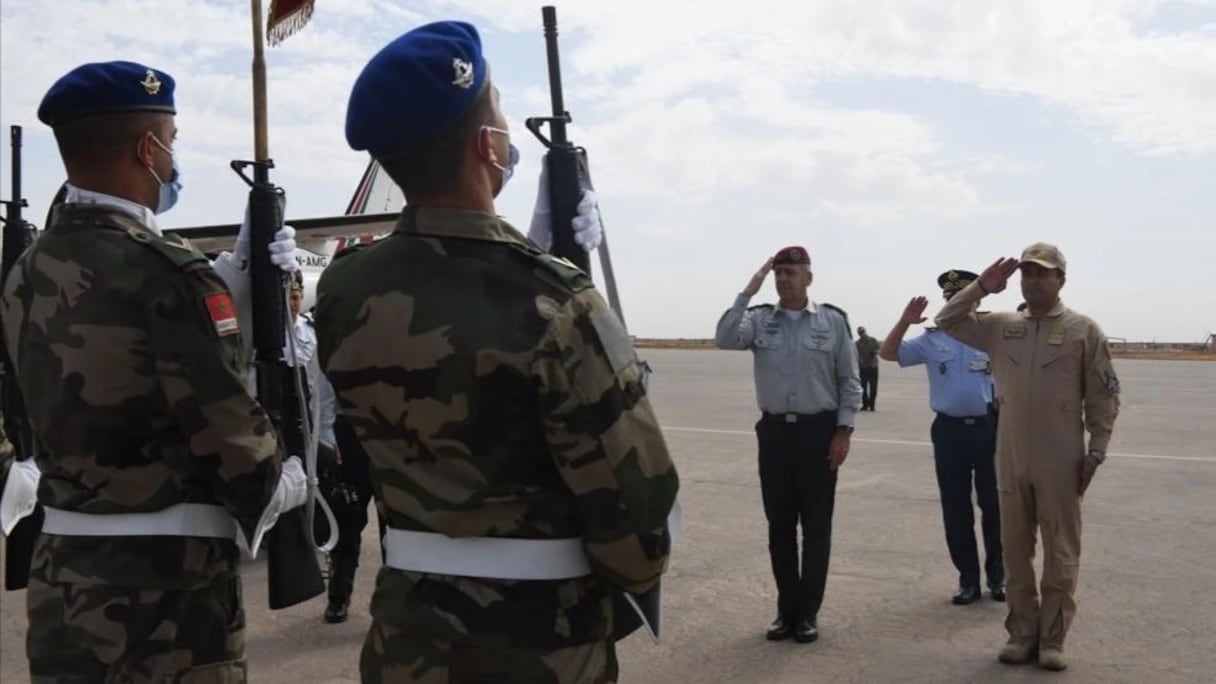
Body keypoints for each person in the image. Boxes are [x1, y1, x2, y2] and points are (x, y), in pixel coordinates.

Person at [314, 21, 679, 682]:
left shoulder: (344, 288)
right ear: (488, 144)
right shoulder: (556, 301)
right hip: (541, 644)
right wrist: (547, 267)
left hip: (406, 640)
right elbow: (636, 523)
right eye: (503, 114)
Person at [0, 60, 309, 681]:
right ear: (147, 148)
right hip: (167, 593)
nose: (172, 159)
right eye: (172, 141)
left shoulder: (28, 271)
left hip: (62, 577)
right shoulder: (169, 272)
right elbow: (230, 439)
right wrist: (291, 479)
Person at [934, 243, 1120, 671]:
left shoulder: (1082, 330)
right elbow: (947, 320)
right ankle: (1021, 633)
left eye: (1043, 273)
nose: (1033, 280)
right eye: (1027, 273)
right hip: (1011, 451)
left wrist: (1097, 451)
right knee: (1015, 549)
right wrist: (982, 286)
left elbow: (1104, 396)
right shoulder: (1001, 326)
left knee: (1061, 549)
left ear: (1061, 280)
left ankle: (1053, 638)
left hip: (1061, 454)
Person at [714, 246, 862, 644]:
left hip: (819, 434)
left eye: (790, 272)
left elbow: (849, 380)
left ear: (808, 278)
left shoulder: (832, 321)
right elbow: (725, 338)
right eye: (778, 272)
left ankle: (808, 613)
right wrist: (749, 288)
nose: (783, 279)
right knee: (779, 526)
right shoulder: (760, 320)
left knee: (816, 528)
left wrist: (843, 431)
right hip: (776, 434)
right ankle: (786, 610)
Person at [877, 269, 1004, 606]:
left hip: (989, 428)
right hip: (949, 432)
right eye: (951, 300)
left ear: (976, 301)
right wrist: (905, 321)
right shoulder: (932, 339)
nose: (955, 305)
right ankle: (968, 580)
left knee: (995, 506)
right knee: (955, 507)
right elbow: (888, 353)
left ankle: (998, 576)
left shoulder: (993, 334)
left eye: (961, 299)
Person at [855, 326, 880, 410]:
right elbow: (856, 355)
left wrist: (875, 352)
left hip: (873, 366)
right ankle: (865, 405)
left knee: (873, 388)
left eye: (863, 332)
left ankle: (872, 405)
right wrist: (861, 362)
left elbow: (879, 349)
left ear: (865, 331)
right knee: (863, 387)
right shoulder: (857, 343)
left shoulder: (873, 340)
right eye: (860, 333)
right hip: (863, 367)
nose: (862, 334)